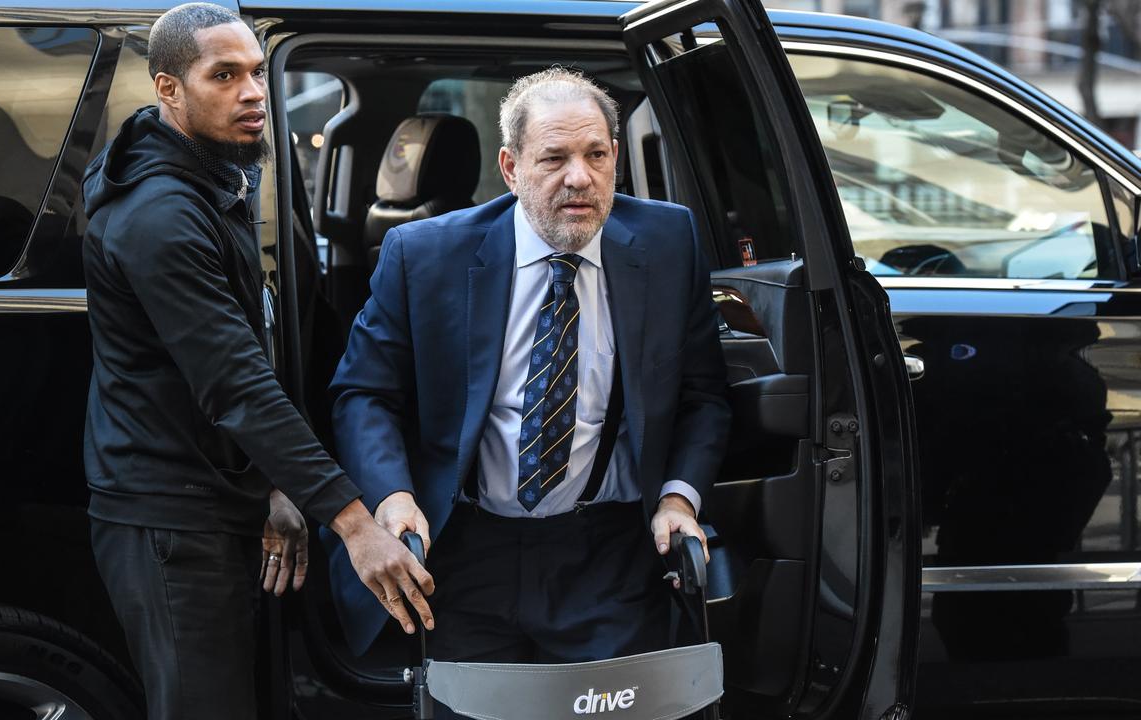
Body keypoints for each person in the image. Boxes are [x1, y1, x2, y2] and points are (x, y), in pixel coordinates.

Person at [327, 67, 732, 705]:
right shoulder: (425, 254)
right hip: (463, 550)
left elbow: (704, 395)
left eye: (596, 155)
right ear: (511, 168)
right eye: (555, 158)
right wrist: (394, 496)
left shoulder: (667, 240)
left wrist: (679, 499)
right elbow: (364, 393)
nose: (580, 177)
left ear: (616, 160)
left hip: (607, 551)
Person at [80, 5, 433, 719]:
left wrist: (274, 486)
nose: (251, 93)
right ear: (168, 89)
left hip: (212, 493)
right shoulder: (161, 215)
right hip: (170, 516)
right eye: (224, 75)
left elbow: (253, 345)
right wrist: (355, 526)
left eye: (254, 73)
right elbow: (236, 384)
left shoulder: (207, 173)